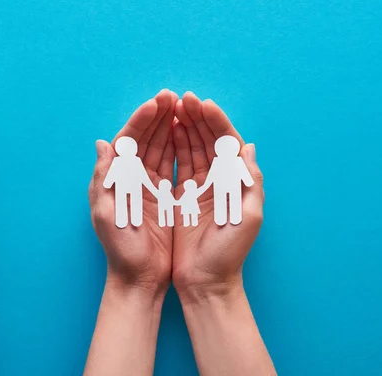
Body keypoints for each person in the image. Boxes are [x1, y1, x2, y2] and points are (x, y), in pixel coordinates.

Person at [86, 90, 274, 376]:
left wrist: (211, 284)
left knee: (224, 207)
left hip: (187, 196)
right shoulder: (132, 163)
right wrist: (135, 283)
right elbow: (200, 179)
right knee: (132, 210)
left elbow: (148, 185)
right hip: (143, 196)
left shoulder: (137, 163)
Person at [103, 135, 159, 228]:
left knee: (130, 201)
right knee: (124, 201)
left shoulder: (134, 161)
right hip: (127, 186)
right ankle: (124, 220)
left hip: (128, 186)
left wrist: (108, 183)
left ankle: (134, 220)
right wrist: (108, 183)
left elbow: (143, 177)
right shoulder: (121, 161)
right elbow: (143, 177)